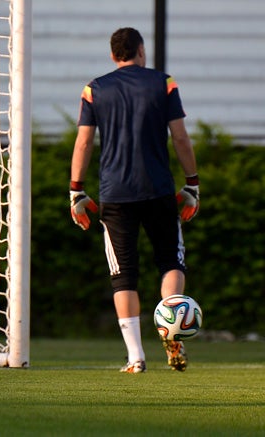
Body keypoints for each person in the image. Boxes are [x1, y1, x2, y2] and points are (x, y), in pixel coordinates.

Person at [68, 27, 199, 373]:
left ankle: (135, 357)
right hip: (158, 189)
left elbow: (83, 143)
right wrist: (193, 184)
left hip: (115, 195)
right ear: (141, 51)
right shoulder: (164, 83)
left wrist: (76, 191)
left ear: (114, 55)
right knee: (170, 261)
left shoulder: (94, 89)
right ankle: (173, 335)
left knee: (123, 277)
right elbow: (181, 138)